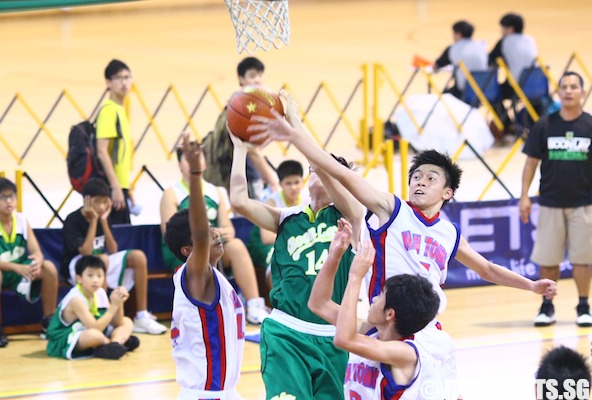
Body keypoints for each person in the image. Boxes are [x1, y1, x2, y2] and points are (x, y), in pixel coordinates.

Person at [248, 90, 557, 399]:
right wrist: (295, 127)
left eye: (431, 178)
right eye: (416, 176)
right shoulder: (391, 209)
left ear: (448, 193)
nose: (420, 181)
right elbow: (339, 171)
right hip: (384, 323)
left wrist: (530, 286)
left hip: (426, 330)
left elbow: (487, 268)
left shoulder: (448, 233)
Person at [230, 129, 365, 399]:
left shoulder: (353, 215)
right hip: (286, 331)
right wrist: (240, 148)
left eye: (328, 169)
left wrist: (314, 153)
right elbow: (239, 202)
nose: (318, 171)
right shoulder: (286, 217)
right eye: (315, 168)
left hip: (333, 335)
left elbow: (352, 202)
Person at [309, 219, 441, 399]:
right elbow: (319, 304)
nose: (375, 298)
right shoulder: (370, 332)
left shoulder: (406, 353)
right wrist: (335, 255)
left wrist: (355, 276)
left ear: (390, 314)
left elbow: (344, 339)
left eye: (382, 295)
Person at [165, 134, 245, 400]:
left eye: (213, 226)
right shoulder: (195, 275)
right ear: (188, 252)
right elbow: (199, 234)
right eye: (206, 229)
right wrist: (196, 173)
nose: (214, 232)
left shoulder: (212, 278)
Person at [159, 144, 270, 325]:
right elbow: (169, 232)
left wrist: (214, 232)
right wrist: (201, 237)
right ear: (179, 164)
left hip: (212, 245)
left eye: (199, 157)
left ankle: (254, 305)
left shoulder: (216, 191)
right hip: (186, 250)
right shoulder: (171, 193)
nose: (194, 162)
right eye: (188, 158)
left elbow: (229, 229)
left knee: (236, 246)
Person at [520, 71, 592, 328]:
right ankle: (547, 306)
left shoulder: (589, 125)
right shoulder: (545, 125)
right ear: (558, 93)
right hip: (550, 203)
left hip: (584, 204)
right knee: (549, 260)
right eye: (564, 87)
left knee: (583, 259)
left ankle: (584, 306)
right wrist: (524, 196)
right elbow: (530, 162)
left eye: (574, 87)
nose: (569, 91)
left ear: (582, 92)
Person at [61, 178, 167, 335]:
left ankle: (142, 315)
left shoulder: (104, 216)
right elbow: (85, 252)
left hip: (100, 261)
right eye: (98, 202)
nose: (103, 206)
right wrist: (94, 221)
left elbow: (113, 249)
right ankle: (101, 318)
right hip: (77, 266)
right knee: (101, 261)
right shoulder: (73, 219)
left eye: (105, 202)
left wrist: (103, 221)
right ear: (87, 200)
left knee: (138, 257)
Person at [0, 177, 58, 347]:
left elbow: (36, 251)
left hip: (21, 272)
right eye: (3, 197)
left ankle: (48, 321)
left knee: (49, 267)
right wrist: (15, 267)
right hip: (3, 271)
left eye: (12, 196)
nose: (9, 201)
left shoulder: (21, 220)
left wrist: (37, 261)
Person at [202, 56, 278, 200]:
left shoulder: (234, 102)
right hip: (245, 175)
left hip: (233, 175)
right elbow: (252, 150)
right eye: (252, 76)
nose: (258, 80)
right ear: (241, 79)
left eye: (260, 75)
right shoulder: (243, 108)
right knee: (254, 218)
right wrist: (272, 180)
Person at [46, 255, 139, 360]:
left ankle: (115, 344)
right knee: (94, 335)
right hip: (65, 338)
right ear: (79, 278)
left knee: (127, 321)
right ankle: (117, 343)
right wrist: (114, 306)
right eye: (90, 275)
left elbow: (117, 322)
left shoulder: (100, 292)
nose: (95, 280)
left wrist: (119, 303)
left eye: (99, 276)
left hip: (92, 330)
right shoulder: (76, 299)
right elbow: (96, 328)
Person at [245, 159, 308, 290]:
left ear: (302, 182)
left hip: (293, 242)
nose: (293, 187)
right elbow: (266, 238)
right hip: (264, 246)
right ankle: (278, 301)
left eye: (297, 182)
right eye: (288, 183)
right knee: (278, 261)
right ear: (280, 184)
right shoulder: (272, 201)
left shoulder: (307, 201)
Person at [96, 59, 135, 224]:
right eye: (119, 78)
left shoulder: (120, 110)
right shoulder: (109, 111)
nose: (124, 82)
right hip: (112, 188)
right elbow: (102, 151)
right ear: (108, 82)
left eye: (127, 77)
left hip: (121, 186)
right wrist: (116, 187)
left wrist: (127, 187)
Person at [433, 20, 487, 99]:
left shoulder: (452, 49)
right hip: (485, 89)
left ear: (458, 34)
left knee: (441, 98)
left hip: (464, 91)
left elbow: (436, 66)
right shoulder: (481, 47)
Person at [489, 12, 538, 98]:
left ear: (510, 29)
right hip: (537, 86)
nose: (501, 31)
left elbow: (489, 61)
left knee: (489, 93)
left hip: (516, 88)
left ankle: (502, 112)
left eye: (503, 28)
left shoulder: (504, 41)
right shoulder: (530, 40)